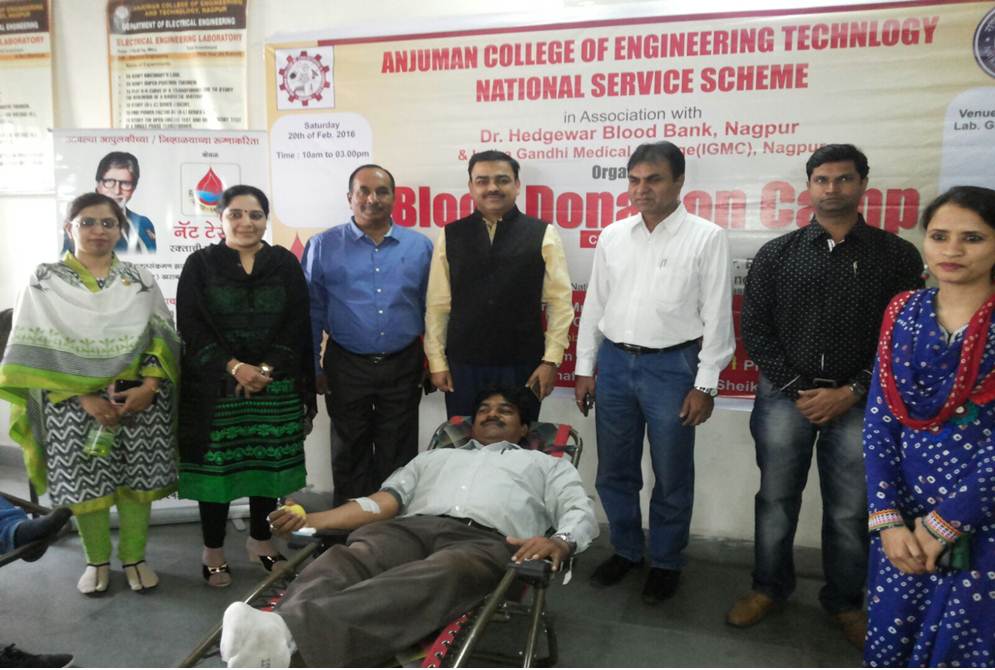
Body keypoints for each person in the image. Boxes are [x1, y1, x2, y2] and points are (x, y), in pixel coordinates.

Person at [217, 385, 597, 668]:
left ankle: (286, 639)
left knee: (441, 571)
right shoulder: (433, 458)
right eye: (483, 409)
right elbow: (380, 503)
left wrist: (562, 541)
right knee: (347, 557)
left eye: (504, 410)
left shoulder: (547, 465)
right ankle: (278, 634)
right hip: (410, 529)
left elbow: (578, 510)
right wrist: (310, 520)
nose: (491, 414)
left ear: (524, 427)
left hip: (485, 543)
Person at [727, 145, 923, 647]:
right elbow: (756, 330)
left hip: (860, 401)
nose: (832, 188)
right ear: (809, 186)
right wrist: (798, 391)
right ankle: (768, 588)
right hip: (784, 398)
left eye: (843, 179)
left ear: (862, 184)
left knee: (850, 509)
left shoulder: (897, 256)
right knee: (775, 499)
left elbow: (902, 337)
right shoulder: (777, 254)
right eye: (822, 179)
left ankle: (845, 602)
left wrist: (852, 390)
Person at [574, 141, 734, 603]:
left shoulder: (706, 237)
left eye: (654, 179)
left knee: (672, 472)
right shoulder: (613, 235)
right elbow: (595, 305)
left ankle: (666, 560)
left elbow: (717, 316)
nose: (641, 189)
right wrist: (585, 367)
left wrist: (705, 384)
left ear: (679, 181)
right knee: (614, 469)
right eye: (635, 180)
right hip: (615, 363)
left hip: (673, 367)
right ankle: (626, 550)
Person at [0, 192, 180, 595]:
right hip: (70, 404)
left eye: (108, 223)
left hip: (137, 402)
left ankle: (134, 558)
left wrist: (149, 387)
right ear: (70, 227)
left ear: (121, 230)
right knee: (85, 487)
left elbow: (162, 335)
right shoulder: (43, 280)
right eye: (87, 222)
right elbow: (35, 344)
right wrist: (84, 396)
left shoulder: (140, 279)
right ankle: (96, 560)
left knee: (137, 483)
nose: (99, 230)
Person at [862, 186, 995, 666]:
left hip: (983, 516)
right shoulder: (904, 311)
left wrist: (946, 524)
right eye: (939, 236)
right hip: (904, 518)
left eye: (972, 238)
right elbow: (880, 419)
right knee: (894, 631)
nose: (952, 250)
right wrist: (887, 517)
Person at [176, 185, 315, 588]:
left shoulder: (284, 263)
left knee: (266, 468)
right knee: (217, 472)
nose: (246, 222)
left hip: (274, 384)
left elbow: (297, 323)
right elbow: (191, 326)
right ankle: (213, 549)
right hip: (216, 387)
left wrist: (265, 369)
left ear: (266, 220)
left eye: (255, 215)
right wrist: (236, 367)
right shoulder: (200, 264)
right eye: (235, 214)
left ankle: (260, 540)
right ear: (220, 218)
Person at [301, 164, 433, 506]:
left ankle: (393, 524)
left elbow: (433, 310)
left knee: (399, 450)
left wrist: (435, 362)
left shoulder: (420, 247)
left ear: (394, 198)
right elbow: (311, 310)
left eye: (382, 191)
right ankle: (349, 525)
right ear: (350, 197)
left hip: (403, 362)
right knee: (349, 450)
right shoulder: (322, 246)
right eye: (364, 191)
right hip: (346, 363)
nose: (373, 199)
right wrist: (313, 367)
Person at [425, 150, 573, 417]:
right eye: (482, 181)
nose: (492, 187)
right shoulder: (450, 234)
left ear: (517, 185)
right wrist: (437, 361)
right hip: (463, 365)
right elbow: (437, 305)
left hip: (523, 365)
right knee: (464, 439)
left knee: (519, 440)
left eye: (502, 180)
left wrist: (550, 361)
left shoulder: (542, 233)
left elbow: (559, 303)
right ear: (471, 187)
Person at [62, 152, 156, 254]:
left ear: (133, 188)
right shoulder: (80, 224)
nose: (117, 191)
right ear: (98, 185)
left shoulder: (144, 223)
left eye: (125, 183)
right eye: (109, 182)